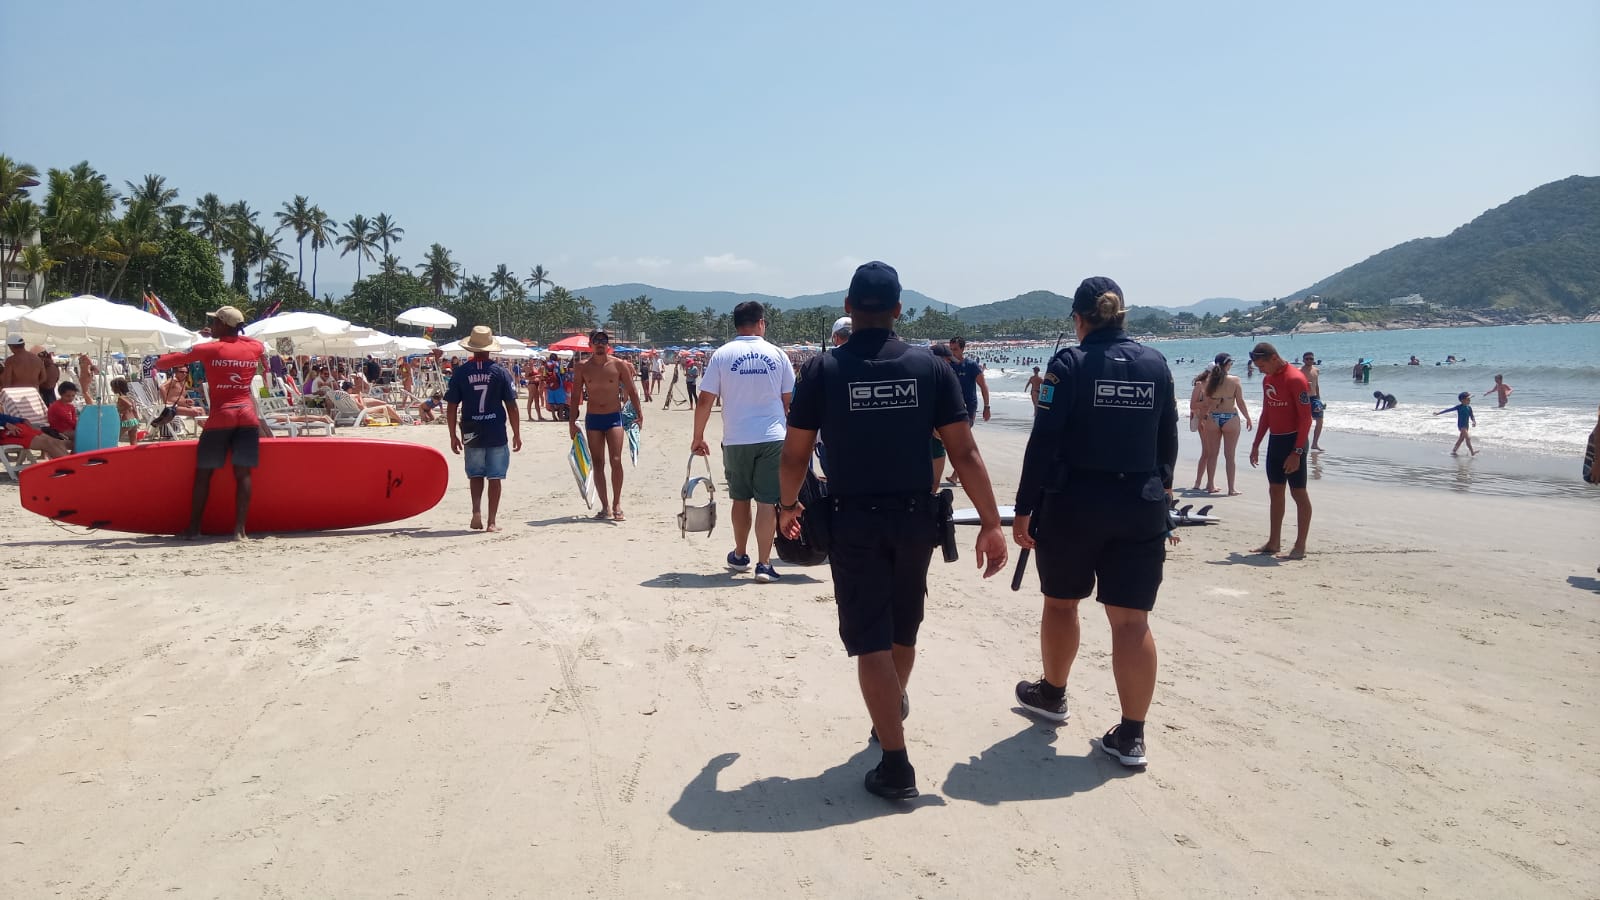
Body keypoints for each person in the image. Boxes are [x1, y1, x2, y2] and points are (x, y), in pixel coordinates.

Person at [778, 261, 1007, 801]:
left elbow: (794, 453)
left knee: (870, 640)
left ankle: (896, 765)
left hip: (854, 518)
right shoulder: (930, 368)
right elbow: (964, 451)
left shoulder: (824, 370)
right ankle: (892, 706)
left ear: (850, 309)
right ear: (899, 310)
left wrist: (787, 506)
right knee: (903, 627)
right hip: (915, 519)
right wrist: (992, 522)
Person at [1011, 276, 1177, 770]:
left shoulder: (1069, 365)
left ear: (1079, 320)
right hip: (1140, 503)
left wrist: (1024, 508)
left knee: (1062, 603)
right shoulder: (1155, 363)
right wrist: (1162, 490)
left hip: (1074, 504)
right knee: (1131, 621)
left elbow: (1043, 441)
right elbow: (1167, 438)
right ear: (1122, 315)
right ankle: (1131, 735)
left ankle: (1053, 694)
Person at [691, 301, 795, 583]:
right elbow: (790, 403)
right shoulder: (777, 355)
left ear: (736, 324)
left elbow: (705, 399)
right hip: (773, 436)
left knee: (740, 498)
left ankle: (740, 555)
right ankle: (763, 564)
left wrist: (697, 437)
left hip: (737, 438)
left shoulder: (722, 355)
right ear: (761, 323)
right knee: (766, 502)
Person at [151, 306, 268, 540]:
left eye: (215, 322)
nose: (212, 325)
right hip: (247, 416)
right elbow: (244, 340)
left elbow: (163, 363)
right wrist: (223, 334)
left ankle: (194, 529)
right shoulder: (255, 347)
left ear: (224, 325)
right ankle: (240, 531)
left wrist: (198, 339)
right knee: (243, 474)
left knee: (204, 475)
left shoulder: (210, 348)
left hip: (221, 418)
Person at [444, 327, 522, 532]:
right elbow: (512, 406)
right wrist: (517, 433)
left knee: (476, 474)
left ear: (472, 348)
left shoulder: (461, 372)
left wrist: (453, 435)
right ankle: (492, 522)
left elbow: (451, 407)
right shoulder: (500, 372)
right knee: (495, 477)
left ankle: (476, 511)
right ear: (489, 349)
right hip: (495, 429)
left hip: (471, 428)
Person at [1247, 342, 1314, 560]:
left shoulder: (1296, 379)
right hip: (1275, 441)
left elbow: (1306, 418)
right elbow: (1267, 413)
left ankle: (1300, 546)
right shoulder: (1268, 380)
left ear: (1274, 358)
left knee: (1298, 492)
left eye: (1262, 365)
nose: (1260, 371)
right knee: (1275, 490)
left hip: (1294, 441)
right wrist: (1256, 443)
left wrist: (1297, 452)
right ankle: (1273, 542)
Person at [569, 330, 643, 521]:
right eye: (596, 341)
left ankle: (617, 503)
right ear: (590, 345)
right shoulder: (582, 367)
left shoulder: (619, 365)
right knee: (598, 463)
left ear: (607, 345)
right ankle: (605, 507)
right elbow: (576, 395)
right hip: (593, 418)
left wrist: (639, 414)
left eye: (604, 341)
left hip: (613, 417)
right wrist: (571, 423)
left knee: (616, 460)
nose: (600, 344)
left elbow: (632, 391)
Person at [1203, 353, 1253, 495]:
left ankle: (1211, 485)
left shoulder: (1210, 381)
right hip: (1230, 417)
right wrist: (1248, 417)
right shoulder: (1235, 380)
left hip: (1213, 417)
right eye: (1231, 363)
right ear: (1227, 364)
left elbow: (1207, 402)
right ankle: (1231, 488)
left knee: (1212, 454)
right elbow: (1240, 402)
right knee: (1230, 456)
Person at [1188, 369, 1219, 493]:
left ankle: (1207, 483)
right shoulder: (1200, 385)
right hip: (1203, 420)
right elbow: (1192, 405)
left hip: (1212, 420)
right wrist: (1206, 403)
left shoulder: (1215, 385)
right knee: (1207, 452)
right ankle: (1200, 482)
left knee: (1210, 452)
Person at [947, 337, 990, 425]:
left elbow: (983, 386)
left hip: (969, 405)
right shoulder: (946, 365)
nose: (952, 352)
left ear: (962, 349)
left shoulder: (971, 365)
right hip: (951, 404)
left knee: (965, 431)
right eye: (950, 349)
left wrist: (986, 407)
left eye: (955, 349)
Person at [1, 412, 71, 459]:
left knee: (54, 442)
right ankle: (70, 465)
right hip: (4, 436)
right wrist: (5, 424)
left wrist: (23, 420)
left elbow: (7, 418)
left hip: (17, 429)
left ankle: (71, 463)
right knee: (47, 443)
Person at [1434, 392, 1477, 456]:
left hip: (1466, 425)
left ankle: (1454, 451)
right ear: (1462, 400)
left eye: (1470, 399)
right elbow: (1448, 410)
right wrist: (1439, 413)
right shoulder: (1459, 407)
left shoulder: (1469, 407)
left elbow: (1472, 416)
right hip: (1461, 425)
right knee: (1467, 438)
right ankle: (1472, 452)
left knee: (1461, 439)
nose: (1470, 400)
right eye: (1468, 399)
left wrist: (1474, 421)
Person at [1300, 351, 1325, 451]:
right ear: (1303, 360)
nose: (1309, 360)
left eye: (1311, 359)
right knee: (1305, 422)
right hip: (1303, 398)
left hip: (1314, 398)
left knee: (1320, 421)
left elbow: (1316, 385)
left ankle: (1315, 443)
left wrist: (1319, 400)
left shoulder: (1316, 370)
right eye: (1307, 359)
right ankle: (1302, 442)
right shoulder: (1299, 371)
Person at [111, 377, 141, 443]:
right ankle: (134, 453)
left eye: (112, 387)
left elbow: (129, 405)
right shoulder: (129, 397)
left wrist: (121, 410)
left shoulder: (121, 398)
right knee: (133, 442)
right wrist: (137, 419)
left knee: (114, 438)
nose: (111, 389)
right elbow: (134, 409)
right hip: (134, 421)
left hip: (126, 422)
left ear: (117, 388)